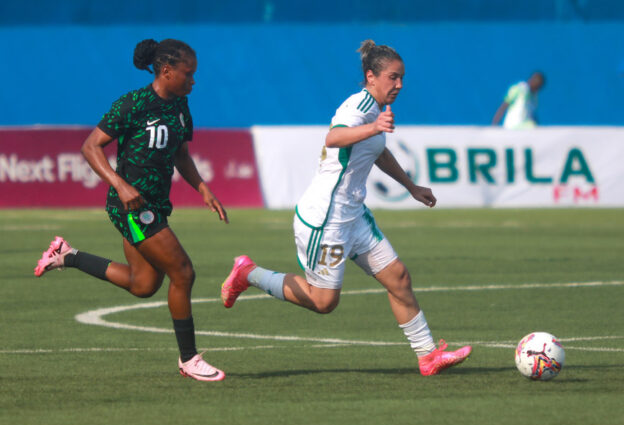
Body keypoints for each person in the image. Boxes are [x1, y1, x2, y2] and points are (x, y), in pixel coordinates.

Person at [221, 39, 472, 376]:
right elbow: (334, 137)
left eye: (402, 78)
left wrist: (411, 186)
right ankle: (248, 273)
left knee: (398, 278)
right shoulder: (358, 106)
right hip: (326, 219)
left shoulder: (375, 111)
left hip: (354, 215)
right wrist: (373, 127)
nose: (399, 85)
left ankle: (427, 356)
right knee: (324, 302)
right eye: (393, 77)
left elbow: (378, 152)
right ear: (371, 76)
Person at [34, 38, 227, 382]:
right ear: (166, 71)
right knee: (183, 272)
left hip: (156, 206)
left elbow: (180, 154)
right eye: (188, 74)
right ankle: (189, 359)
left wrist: (202, 188)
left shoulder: (181, 106)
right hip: (132, 209)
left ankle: (68, 255)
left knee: (143, 285)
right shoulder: (133, 103)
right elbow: (90, 146)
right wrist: (121, 185)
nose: (193, 81)